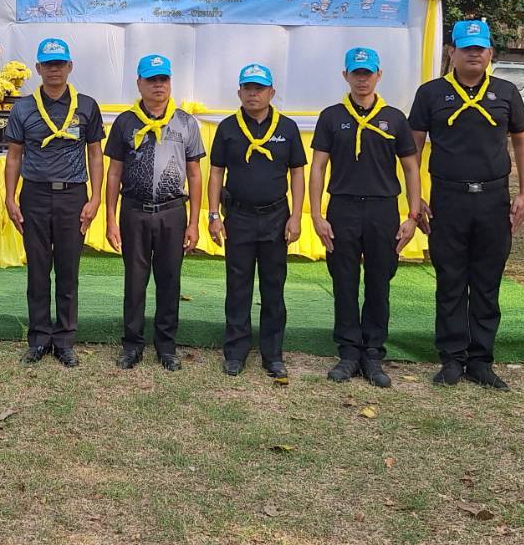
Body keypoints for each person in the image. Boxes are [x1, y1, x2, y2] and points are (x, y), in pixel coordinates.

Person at [408, 20, 524, 390]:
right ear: (452, 52)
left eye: (480, 48)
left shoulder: (506, 92)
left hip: (494, 200)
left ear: (490, 52)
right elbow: (413, 149)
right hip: (448, 199)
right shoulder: (431, 93)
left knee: (486, 281)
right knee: (450, 279)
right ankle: (451, 358)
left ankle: (480, 360)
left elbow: (522, 142)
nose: (473, 54)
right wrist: (415, 197)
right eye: (466, 48)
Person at [309, 47, 422, 387]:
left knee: (378, 280)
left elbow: (411, 168)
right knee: (343, 281)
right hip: (342, 208)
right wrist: (316, 215)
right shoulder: (331, 117)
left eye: (368, 73)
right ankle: (348, 352)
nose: (362, 79)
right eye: (356, 73)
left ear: (378, 75)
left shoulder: (394, 118)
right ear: (346, 75)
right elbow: (318, 168)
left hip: (382, 210)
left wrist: (412, 215)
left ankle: (373, 353)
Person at [4, 37, 104, 367]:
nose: (54, 70)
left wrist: (95, 198)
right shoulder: (23, 107)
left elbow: (95, 154)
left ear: (70, 66)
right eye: (48, 64)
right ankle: (38, 339)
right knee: (37, 269)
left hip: (73, 196)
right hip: (34, 195)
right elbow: (14, 156)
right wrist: (9, 197)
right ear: (38, 68)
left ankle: (64, 341)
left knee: (67, 270)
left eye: (59, 63)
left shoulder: (86, 106)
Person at [104, 54, 204, 371]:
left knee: (169, 280)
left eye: (163, 79)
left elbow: (195, 173)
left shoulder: (186, 122)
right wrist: (110, 218)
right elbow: (114, 172)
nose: (158, 85)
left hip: (172, 212)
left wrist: (194, 222)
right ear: (139, 83)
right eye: (151, 80)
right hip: (134, 211)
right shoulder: (125, 122)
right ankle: (132, 345)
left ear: (170, 82)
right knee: (135, 282)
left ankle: (166, 346)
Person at [207, 63, 305, 377]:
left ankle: (272, 354)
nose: (253, 94)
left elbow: (297, 173)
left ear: (271, 92)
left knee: (274, 286)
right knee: (238, 286)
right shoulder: (227, 128)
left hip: (276, 216)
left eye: (259, 88)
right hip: (238, 216)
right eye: (248, 88)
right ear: (239, 92)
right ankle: (236, 352)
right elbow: (216, 173)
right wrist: (213, 215)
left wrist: (296, 216)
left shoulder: (287, 128)